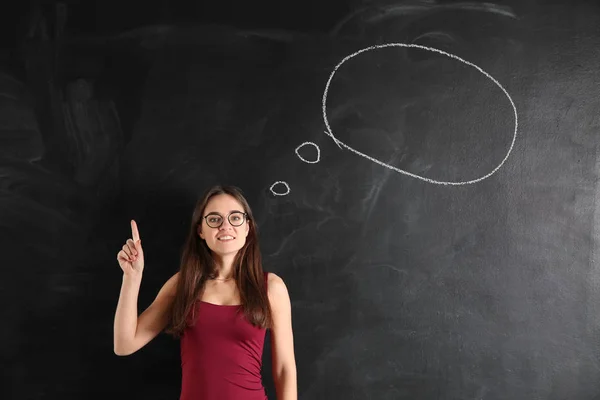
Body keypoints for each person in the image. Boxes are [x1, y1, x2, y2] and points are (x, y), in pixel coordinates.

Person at [113, 185, 297, 400]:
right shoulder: (183, 284)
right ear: (201, 230)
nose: (225, 226)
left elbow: (284, 370)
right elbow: (124, 345)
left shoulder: (271, 287)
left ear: (247, 227)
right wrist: (132, 277)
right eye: (214, 219)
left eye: (235, 218)